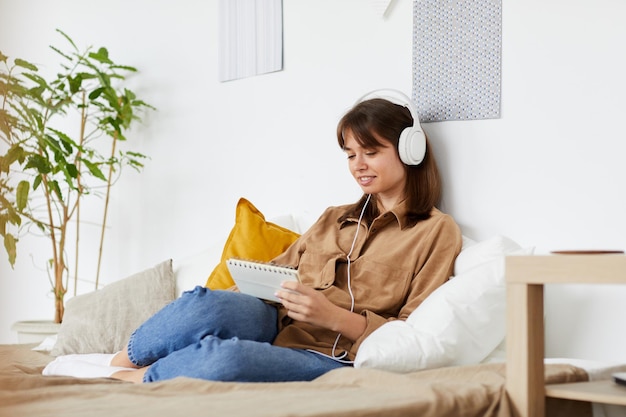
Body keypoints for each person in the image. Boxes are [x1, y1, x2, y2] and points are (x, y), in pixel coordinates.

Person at [46, 90, 462, 383]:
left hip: (333, 356)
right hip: (275, 320)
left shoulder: (435, 232)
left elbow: (411, 334)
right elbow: (279, 269)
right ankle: (114, 361)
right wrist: (262, 281)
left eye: (370, 152)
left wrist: (332, 316)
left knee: (226, 358)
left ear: (410, 151)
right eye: (350, 155)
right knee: (205, 304)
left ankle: (134, 379)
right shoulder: (334, 218)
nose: (358, 166)